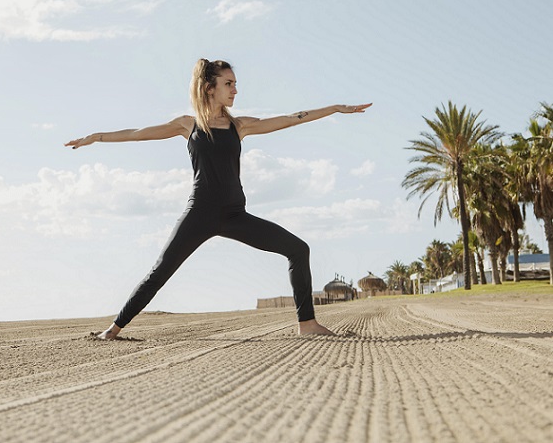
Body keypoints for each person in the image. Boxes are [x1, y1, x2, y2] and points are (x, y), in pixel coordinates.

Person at [65, 59, 371, 340]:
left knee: (298, 249)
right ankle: (114, 329)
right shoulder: (188, 125)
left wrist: (334, 108)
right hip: (199, 213)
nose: (236, 90)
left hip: (235, 214)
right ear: (210, 87)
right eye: (229, 83)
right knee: (160, 270)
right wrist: (97, 136)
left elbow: (291, 119)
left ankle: (307, 325)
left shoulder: (240, 126)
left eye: (235, 84)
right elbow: (136, 133)